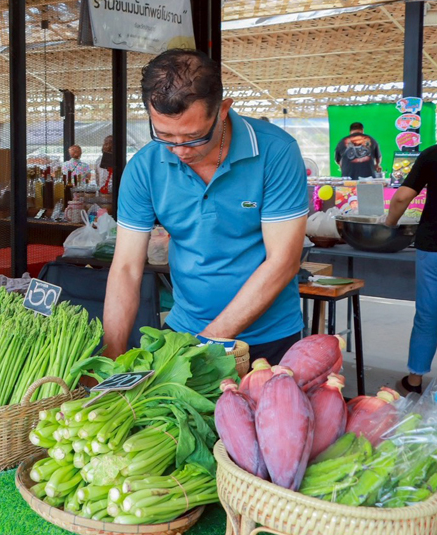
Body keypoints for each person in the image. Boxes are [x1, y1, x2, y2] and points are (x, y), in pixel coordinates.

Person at [103, 49, 308, 364]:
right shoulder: (144, 167)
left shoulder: (275, 152)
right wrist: (112, 359)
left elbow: (283, 262)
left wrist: (208, 343)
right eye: (164, 135)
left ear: (223, 110)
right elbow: (127, 269)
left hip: (269, 340)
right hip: (183, 332)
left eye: (194, 137)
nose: (179, 150)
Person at [381, 145, 437, 394]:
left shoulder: (433, 155)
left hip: (435, 246)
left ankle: (414, 382)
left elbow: (402, 197)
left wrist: (389, 224)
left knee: (428, 316)